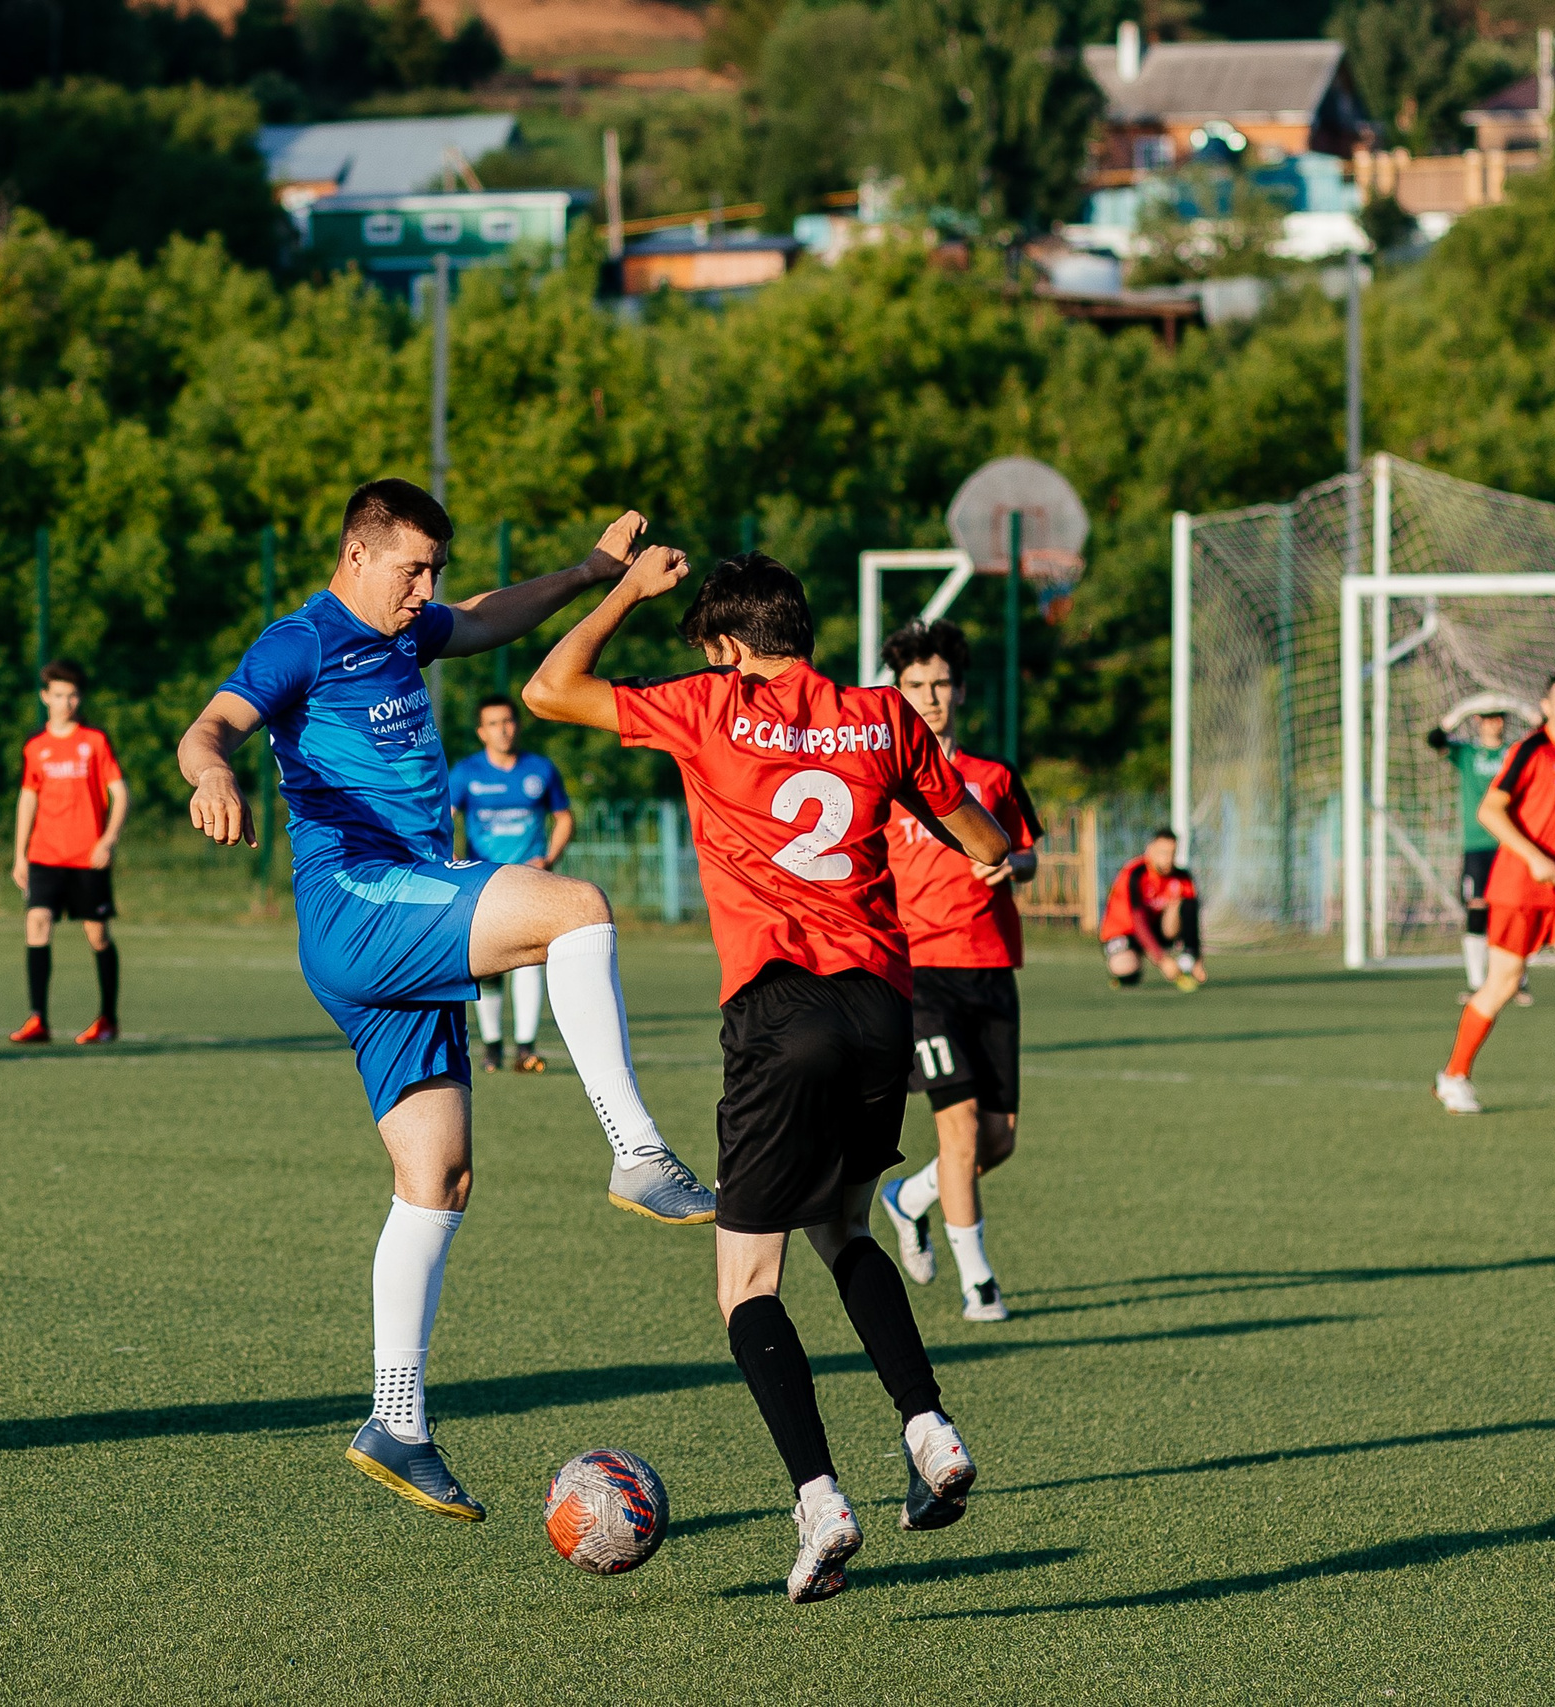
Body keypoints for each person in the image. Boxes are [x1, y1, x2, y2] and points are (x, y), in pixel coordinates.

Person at [175, 481, 713, 1527]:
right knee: (577, 907)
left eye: (434, 571)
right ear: (356, 554)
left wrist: (592, 576)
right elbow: (212, 725)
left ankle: (396, 1421)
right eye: (410, 569)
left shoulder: (409, 629)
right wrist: (213, 776)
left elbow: (491, 616)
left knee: (438, 1177)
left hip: (391, 922)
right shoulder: (303, 640)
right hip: (361, 902)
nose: (427, 591)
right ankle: (637, 1151)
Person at [524, 548, 1011, 1605]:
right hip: (882, 1008)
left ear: (731, 648)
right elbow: (980, 837)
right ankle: (927, 1429)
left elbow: (545, 689)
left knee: (748, 1283)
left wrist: (621, 593)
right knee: (843, 1230)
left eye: (708, 645)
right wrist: (991, 856)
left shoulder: (711, 705)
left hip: (777, 1013)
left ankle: (818, 1498)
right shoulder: (882, 716)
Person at [869, 621, 1037, 1324]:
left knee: (998, 1138)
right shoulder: (884, 780)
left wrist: (1010, 864)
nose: (931, 697)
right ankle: (981, 1284)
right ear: (897, 694)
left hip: (992, 967)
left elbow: (1026, 853)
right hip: (922, 975)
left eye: (940, 684)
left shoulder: (993, 776)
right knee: (961, 1130)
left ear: (959, 689)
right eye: (916, 686)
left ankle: (911, 1198)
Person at [1435, 673, 1555, 1117]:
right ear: (1546, 707)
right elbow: (1490, 811)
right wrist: (1533, 856)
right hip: (1519, 885)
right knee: (1502, 983)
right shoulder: (1529, 749)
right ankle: (1454, 1076)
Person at [447, 694, 572, 1073]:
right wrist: (453, 863)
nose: (503, 729)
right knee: (487, 967)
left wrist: (548, 859)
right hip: (483, 885)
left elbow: (564, 819)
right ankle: (491, 1048)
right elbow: (444, 819)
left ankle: (525, 1049)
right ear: (481, 732)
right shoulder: (467, 773)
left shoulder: (540, 770)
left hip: (531, 882)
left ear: (517, 725)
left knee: (530, 962)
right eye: (494, 723)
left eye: (508, 721)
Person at [8, 662, 129, 1045]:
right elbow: (28, 798)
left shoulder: (94, 741)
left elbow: (120, 793)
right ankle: (38, 1019)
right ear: (45, 697)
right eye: (58, 695)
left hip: (86, 858)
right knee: (37, 923)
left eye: (72, 695)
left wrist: (107, 840)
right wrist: (20, 854)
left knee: (97, 935)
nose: (66, 702)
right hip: (45, 854)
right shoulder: (35, 745)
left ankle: (107, 1019)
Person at [1428, 697, 1535, 1007]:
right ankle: (1477, 983)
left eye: (1498, 717)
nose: (1493, 723)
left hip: (1512, 842)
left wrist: (1518, 707)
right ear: (1478, 722)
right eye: (1486, 718)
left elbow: (1543, 731)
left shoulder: (1515, 752)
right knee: (1477, 908)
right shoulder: (1467, 753)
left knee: (1515, 911)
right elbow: (1434, 739)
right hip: (1477, 845)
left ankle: (1517, 982)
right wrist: (1462, 710)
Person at [1100, 829, 1203, 989]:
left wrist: (1197, 957)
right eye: (1163, 853)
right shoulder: (1135, 874)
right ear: (1150, 851)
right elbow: (1138, 921)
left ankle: (1187, 961)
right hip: (1124, 932)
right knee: (1127, 972)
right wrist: (1162, 960)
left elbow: (1191, 915)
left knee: (1183, 902)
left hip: (1156, 929)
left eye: (1172, 853)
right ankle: (1126, 969)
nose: (1168, 859)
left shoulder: (1182, 877)